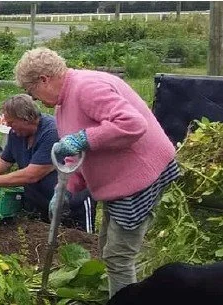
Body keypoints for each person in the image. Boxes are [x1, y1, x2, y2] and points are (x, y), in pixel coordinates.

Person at [14, 47, 180, 297]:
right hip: (118, 180)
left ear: (44, 80)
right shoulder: (63, 104)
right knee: (107, 249)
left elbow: (132, 124)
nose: (34, 99)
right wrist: (65, 190)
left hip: (139, 176)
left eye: (31, 91)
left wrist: (84, 138)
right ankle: (128, 291)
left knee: (118, 257)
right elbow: (76, 154)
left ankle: (127, 298)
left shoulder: (86, 88)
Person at [0, 94, 96, 230]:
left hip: (70, 201)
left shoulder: (52, 132)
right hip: (41, 202)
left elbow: (33, 174)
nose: (8, 125)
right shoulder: (16, 134)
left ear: (26, 119)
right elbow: (3, 161)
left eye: (11, 122)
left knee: (80, 243)